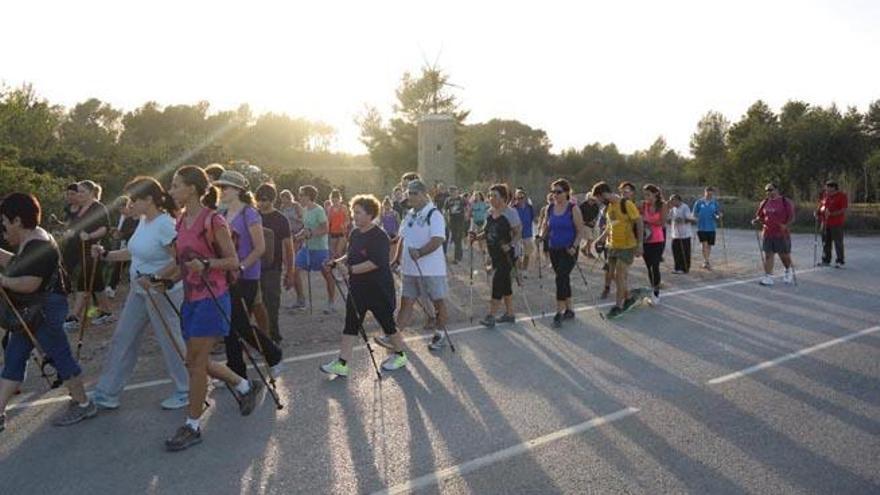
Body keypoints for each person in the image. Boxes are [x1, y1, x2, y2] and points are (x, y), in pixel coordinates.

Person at [154, 165, 264, 451]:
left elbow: (232, 261)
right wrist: (161, 280)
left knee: (197, 363)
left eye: (176, 185)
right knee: (193, 361)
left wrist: (206, 265)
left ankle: (192, 426)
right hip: (191, 298)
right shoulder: (180, 222)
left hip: (213, 298)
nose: (171, 190)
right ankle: (243, 385)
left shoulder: (213, 220)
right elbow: (182, 262)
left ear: (191, 188)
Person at [87, 177, 189, 410]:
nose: (130, 204)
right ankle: (107, 393)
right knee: (123, 338)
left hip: (160, 292)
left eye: (135, 199)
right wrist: (105, 255)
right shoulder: (144, 221)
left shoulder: (165, 224)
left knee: (170, 341)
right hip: (139, 291)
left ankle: (187, 389)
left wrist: (155, 278)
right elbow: (135, 253)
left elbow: (180, 258)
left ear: (149, 199)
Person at [0, 193, 97, 431]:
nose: (2, 224)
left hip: (43, 309)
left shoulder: (39, 245)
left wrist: (2, 280)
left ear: (17, 221)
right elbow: (19, 264)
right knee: (14, 356)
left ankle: (84, 404)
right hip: (33, 310)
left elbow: (29, 283)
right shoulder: (33, 239)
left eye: (4, 219)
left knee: (59, 354)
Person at [321, 195, 409, 376]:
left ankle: (400, 355)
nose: (354, 216)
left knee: (388, 324)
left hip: (378, 289)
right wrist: (337, 262)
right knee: (351, 324)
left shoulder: (380, 237)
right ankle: (342, 363)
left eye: (358, 213)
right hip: (358, 289)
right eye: (354, 212)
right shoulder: (354, 233)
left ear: (370, 214)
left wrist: (350, 270)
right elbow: (350, 255)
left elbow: (374, 263)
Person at [213, 171, 284, 378]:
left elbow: (260, 247)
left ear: (238, 190)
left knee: (239, 324)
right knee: (230, 324)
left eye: (225, 187)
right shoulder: (223, 214)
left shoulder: (249, 213)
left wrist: (241, 267)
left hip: (247, 276)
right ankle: (237, 372)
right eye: (220, 187)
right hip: (227, 276)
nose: (221, 191)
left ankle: (273, 354)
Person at [394, 179, 450, 350]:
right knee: (406, 302)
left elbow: (438, 239)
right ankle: (394, 336)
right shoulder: (409, 214)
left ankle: (440, 335)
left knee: (438, 303)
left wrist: (420, 252)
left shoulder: (434, 214)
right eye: (408, 193)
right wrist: (396, 258)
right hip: (410, 269)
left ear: (424, 194)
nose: (409, 196)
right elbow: (402, 238)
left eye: (413, 193)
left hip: (431, 269)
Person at [61, 180, 115, 331]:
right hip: (80, 249)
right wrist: (70, 233)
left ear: (91, 193)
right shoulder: (79, 208)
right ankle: (106, 312)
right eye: (78, 191)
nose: (79, 195)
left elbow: (104, 228)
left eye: (82, 192)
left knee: (83, 280)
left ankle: (74, 317)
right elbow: (75, 226)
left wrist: (90, 235)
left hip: (95, 249)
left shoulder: (98, 207)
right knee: (96, 282)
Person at [473, 184, 522, 328]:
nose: (491, 198)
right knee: (506, 285)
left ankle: (491, 316)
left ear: (503, 198)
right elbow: (487, 232)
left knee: (497, 283)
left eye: (494, 196)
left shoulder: (510, 213)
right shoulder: (489, 212)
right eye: (489, 195)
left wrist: (511, 244)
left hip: (507, 255)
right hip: (494, 254)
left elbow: (518, 232)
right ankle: (510, 314)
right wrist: (476, 237)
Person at [593, 181, 644, 318]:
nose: (598, 201)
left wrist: (640, 244)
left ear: (603, 194)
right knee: (613, 276)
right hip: (612, 246)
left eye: (598, 198)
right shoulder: (609, 207)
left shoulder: (626, 204)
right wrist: (601, 239)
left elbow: (639, 222)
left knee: (620, 275)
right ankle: (628, 298)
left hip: (627, 246)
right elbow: (611, 226)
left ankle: (618, 306)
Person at [539, 179, 585, 328]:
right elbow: (547, 226)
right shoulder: (550, 208)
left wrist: (574, 246)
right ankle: (570, 309)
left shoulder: (573, 208)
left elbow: (580, 231)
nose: (555, 195)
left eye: (558, 192)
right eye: (553, 192)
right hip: (554, 248)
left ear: (566, 192)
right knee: (563, 278)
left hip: (569, 249)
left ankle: (559, 312)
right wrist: (541, 236)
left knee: (561, 277)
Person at [256, 183, 295, 343]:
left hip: (273, 268)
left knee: (271, 303)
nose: (261, 203)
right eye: (258, 199)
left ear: (272, 199)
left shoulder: (281, 219)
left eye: (264, 199)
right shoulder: (253, 216)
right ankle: (261, 336)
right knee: (256, 305)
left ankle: (273, 336)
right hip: (253, 266)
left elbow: (288, 246)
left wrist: (290, 271)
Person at [293, 185, 337, 314]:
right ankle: (301, 300)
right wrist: (298, 236)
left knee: (327, 275)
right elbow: (306, 228)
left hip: (320, 249)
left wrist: (311, 233)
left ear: (308, 196)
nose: (299, 197)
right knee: (295, 270)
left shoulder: (319, 210)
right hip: (307, 248)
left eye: (301, 195)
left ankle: (331, 302)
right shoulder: (305, 210)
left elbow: (325, 229)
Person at [753, 183, 796, 286]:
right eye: (767, 190)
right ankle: (768, 277)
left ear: (777, 190)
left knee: (784, 255)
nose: (769, 192)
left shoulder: (785, 202)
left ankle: (788, 270)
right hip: (767, 233)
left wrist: (786, 225)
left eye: (771, 190)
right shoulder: (764, 202)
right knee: (768, 255)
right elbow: (760, 216)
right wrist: (756, 220)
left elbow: (792, 217)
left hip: (781, 233)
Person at [106, 196, 139, 299]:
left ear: (129, 206)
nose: (121, 211)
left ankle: (135, 289)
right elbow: (122, 232)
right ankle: (112, 287)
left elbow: (133, 232)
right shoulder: (123, 217)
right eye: (119, 209)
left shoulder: (139, 218)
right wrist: (116, 232)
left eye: (122, 208)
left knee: (136, 268)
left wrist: (121, 234)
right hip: (126, 246)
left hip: (137, 248)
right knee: (118, 265)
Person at [640, 184, 668, 304]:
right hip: (645, 240)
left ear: (655, 194)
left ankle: (656, 294)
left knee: (654, 266)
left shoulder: (663, 205)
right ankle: (653, 289)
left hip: (658, 240)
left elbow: (662, 222)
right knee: (648, 267)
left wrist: (646, 220)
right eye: (645, 194)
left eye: (648, 194)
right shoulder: (643, 205)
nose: (646, 197)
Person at [278, 189, 306, 309]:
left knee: (293, 263)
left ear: (290, 197)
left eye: (285, 198)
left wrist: (294, 220)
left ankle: (300, 297)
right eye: (282, 198)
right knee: (287, 261)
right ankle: (290, 277)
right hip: (287, 235)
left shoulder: (296, 206)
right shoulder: (282, 207)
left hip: (297, 235)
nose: (284, 200)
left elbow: (303, 220)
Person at [816, 180, 848, 268]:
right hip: (825, 223)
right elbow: (822, 205)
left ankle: (840, 261)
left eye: (828, 188)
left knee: (838, 242)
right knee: (825, 242)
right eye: (826, 188)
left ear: (833, 187)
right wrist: (818, 211)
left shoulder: (842, 196)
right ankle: (826, 260)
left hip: (836, 223)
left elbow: (843, 209)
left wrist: (832, 214)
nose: (826, 190)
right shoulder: (826, 195)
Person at [693, 187, 722, 270]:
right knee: (704, 244)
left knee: (709, 245)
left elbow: (717, 213)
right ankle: (706, 261)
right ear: (704, 192)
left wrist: (718, 216)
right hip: (701, 227)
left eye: (711, 194)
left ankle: (707, 260)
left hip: (712, 227)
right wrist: (695, 218)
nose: (709, 195)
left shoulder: (715, 203)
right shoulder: (698, 202)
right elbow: (694, 214)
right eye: (708, 193)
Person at [667, 194, 695, 274]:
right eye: (671, 200)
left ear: (678, 200)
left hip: (685, 234)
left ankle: (685, 268)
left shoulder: (685, 207)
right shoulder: (673, 208)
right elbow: (669, 219)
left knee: (685, 252)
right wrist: (668, 220)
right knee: (676, 251)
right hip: (675, 234)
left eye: (673, 200)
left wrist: (682, 219)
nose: (671, 202)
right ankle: (677, 268)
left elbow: (689, 219)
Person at [513, 188, 536, 276]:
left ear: (525, 197)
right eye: (517, 198)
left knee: (527, 252)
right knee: (517, 253)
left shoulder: (529, 207)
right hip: (516, 233)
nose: (519, 200)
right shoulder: (513, 208)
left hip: (527, 232)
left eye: (521, 197)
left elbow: (532, 218)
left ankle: (524, 270)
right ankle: (519, 269)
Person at [444, 186, 468, 264]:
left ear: (457, 191)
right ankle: (456, 255)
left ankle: (457, 257)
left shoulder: (461, 199)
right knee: (454, 238)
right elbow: (445, 210)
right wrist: (446, 218)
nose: (452, 193)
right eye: (451, 191)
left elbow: (466, 207)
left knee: (458, 238)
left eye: (454, 191)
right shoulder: (448, 200)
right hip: (452, 221)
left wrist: (467, 215)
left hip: (460, 220)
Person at [326, 189, 350, 259]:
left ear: (339, 199)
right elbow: (328, 221)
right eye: (333, 201)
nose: (334, 202)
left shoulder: (343, 208)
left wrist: (345, 225)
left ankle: (341, 267)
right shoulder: (330, 208)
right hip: (333, 232)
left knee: (339, 252)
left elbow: (348, 220)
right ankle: (334, 268)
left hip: (342, 232)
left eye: (336, 200)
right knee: (333, 253)